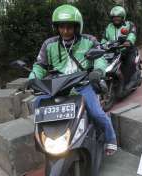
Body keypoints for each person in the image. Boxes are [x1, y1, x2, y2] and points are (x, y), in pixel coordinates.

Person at [28, 4, 117, 155]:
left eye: (69, 27)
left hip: (82, 84)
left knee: (96, 113)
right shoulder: (49, 44)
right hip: (57, 85)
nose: (65, 31)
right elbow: (40, 65)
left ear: (77, 27)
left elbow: (100, 57)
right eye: (61, 27)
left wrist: (97, 71)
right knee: (37, 104)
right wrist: (32, 79)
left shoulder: (89, 41)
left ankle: (111, 138)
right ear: (56, 28)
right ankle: (48, 138)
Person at [101, 5, 139, 90]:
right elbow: (104, 39)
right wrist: (101, 45)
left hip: (127, 50)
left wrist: (129, 41)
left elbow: (132, 34)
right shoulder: (109, 27)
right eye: (114, 17)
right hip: (113, 51)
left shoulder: (129, 24)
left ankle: (129, 82)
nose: (116, 19)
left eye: (118, 17)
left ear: (122, 17)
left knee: (129, 63)